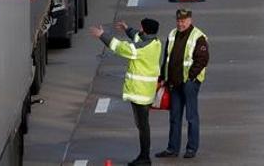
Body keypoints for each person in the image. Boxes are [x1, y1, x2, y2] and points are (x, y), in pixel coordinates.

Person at [90, 18, 163, 166]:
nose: (140, 30)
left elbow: (121, 47)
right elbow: (137, 36)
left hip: (140, 93)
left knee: (143, 126)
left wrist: (102, 35)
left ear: (144, 29)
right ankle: (144, 156)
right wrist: (127, 29)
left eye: (141, 28)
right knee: (142, 125)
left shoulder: (141, 48)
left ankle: (144, 157)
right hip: (146, 92)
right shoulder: (155, 42)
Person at [156, 9, 210, 159]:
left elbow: (203, 59)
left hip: (189, 84)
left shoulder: (198, 37)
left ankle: (191, 148)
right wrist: (163, 76)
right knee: (174, 116)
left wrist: (191, 78)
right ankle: (172, 148)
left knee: (191, 116)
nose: (181, 23)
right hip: (174, 83)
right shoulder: (172, 34)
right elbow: (166, 58)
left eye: (184, 20)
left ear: (190, 20)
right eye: (178, 20)